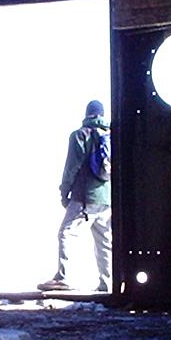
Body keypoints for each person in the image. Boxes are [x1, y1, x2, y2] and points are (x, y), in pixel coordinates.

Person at [39, 100, 112, 292]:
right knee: (104, 241)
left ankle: (64, 277)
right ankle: (107, 283)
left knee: (66, 234)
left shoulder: (81, 135)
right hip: (106, 199)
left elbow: (71, 167)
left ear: (87, 114)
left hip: (84, 197)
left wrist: (64, 191)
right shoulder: (112, 135)